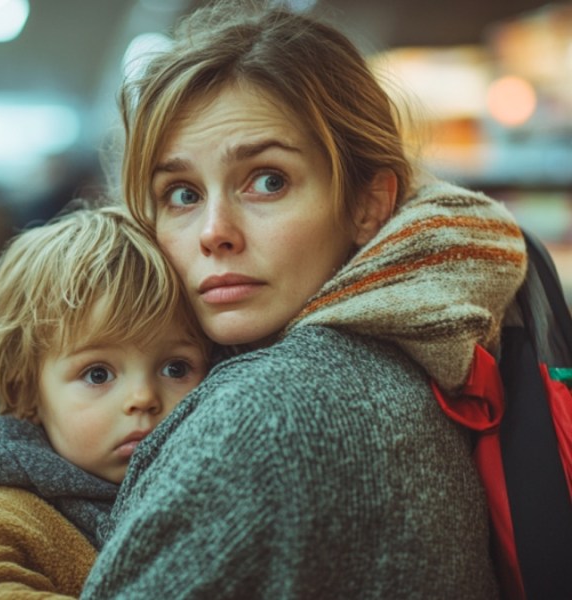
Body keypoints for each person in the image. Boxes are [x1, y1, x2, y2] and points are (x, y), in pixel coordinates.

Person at [80, 2, 529, 598]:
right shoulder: (408, 356)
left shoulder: (266, 417)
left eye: (268, 180)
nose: (215, 230)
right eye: (182, 193)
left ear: (367, 205)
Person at [0, 206, 210, 598]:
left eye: (176, 368)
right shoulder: (5, 516)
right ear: (26, 393)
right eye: (98, 374)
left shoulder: (212, 484)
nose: (143, 398)